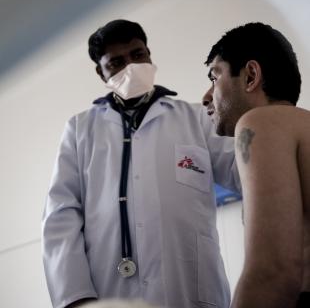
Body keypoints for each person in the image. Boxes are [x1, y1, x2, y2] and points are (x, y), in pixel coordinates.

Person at [42, 19, 240, 308]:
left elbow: (246, 172)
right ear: (101, 72)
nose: (131, 66)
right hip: (110, 294)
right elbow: (60, 214)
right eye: (117, 62)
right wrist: (74, 297)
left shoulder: (197, 119)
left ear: (149, 54)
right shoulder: (80, 130)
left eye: (137, 55)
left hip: (192, 290)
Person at [202, 22, 310, 308]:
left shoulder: (260, 122)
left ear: (250, 75)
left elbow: (273, 272)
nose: (206, 96)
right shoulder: (301, 126)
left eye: (214, 76)